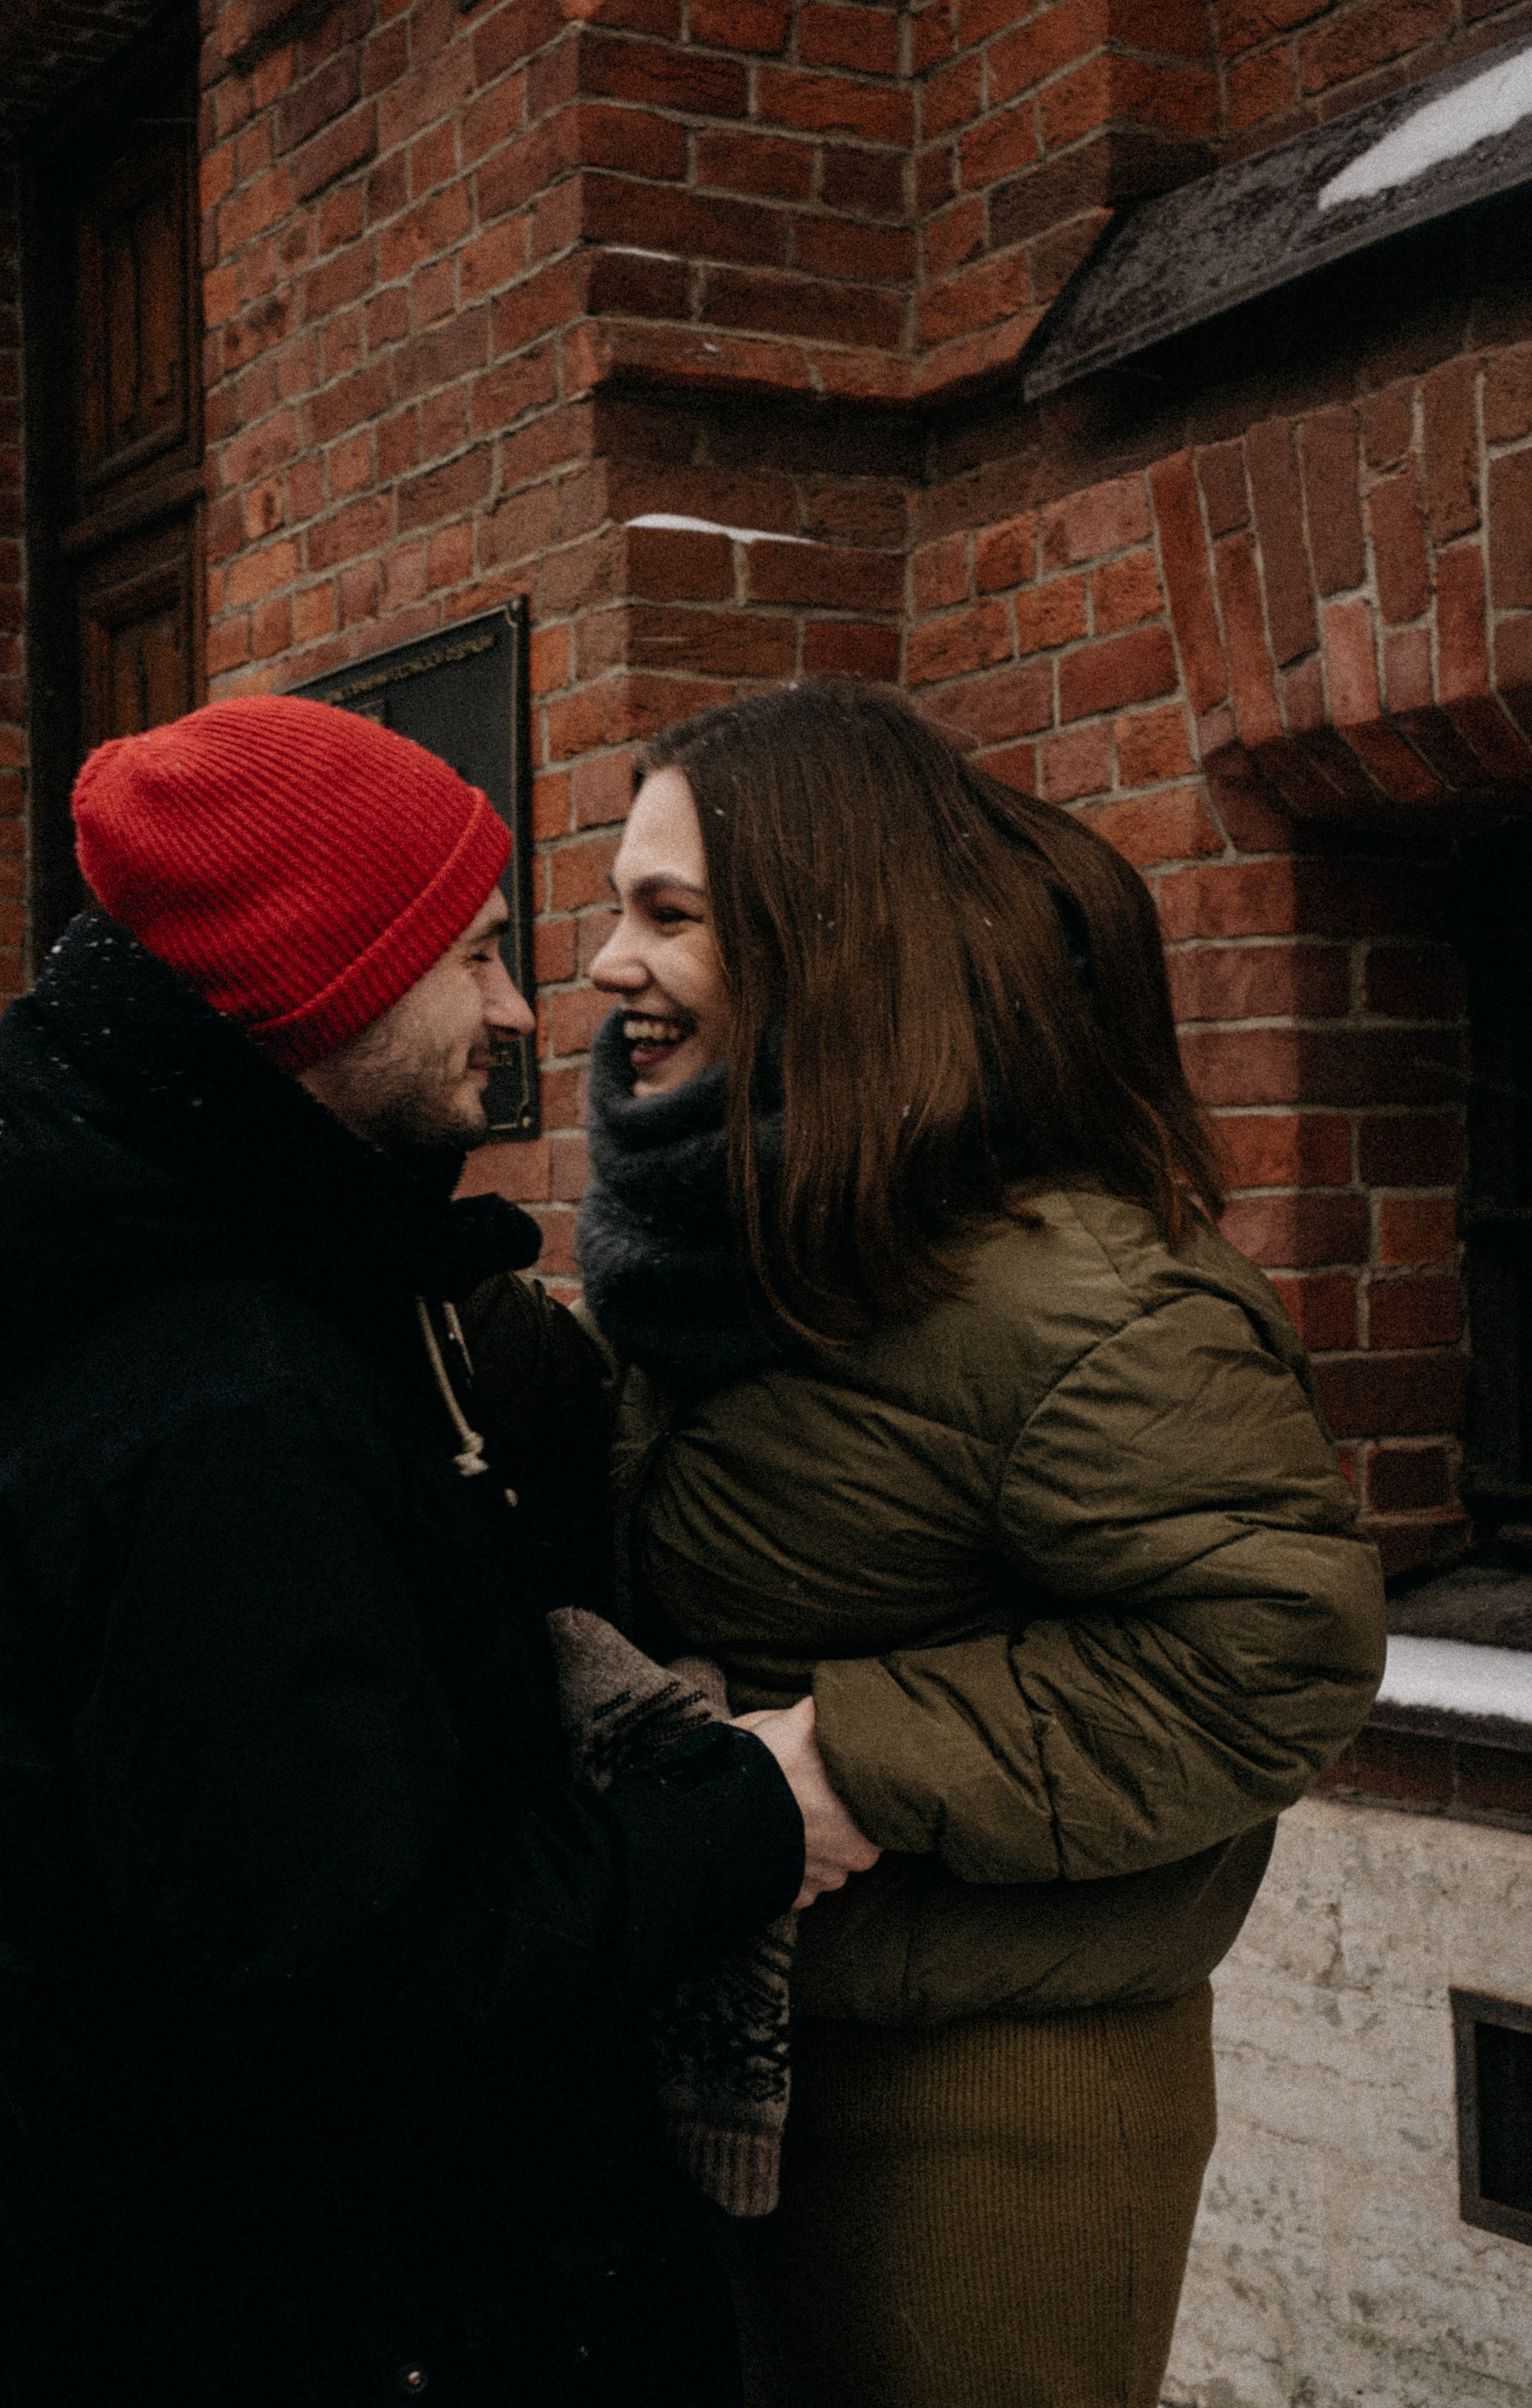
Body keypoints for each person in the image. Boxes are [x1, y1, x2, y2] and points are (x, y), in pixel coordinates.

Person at [0, 694, 874, 2408]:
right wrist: (747, 1809)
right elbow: (368, 2003)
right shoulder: (232, 1410)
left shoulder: (225, 1316)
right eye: (482, 953)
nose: (525, 1006)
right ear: (322, 984)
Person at [578, 680, 1388, 2408]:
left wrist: (847, 1756)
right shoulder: (734, 1240)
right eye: (610, 909)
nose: (604, 966)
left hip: (990, 2114)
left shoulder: (1070, 1292)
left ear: (818, 943)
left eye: (667, 915)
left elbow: (1277, 1657)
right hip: (755, 2054)